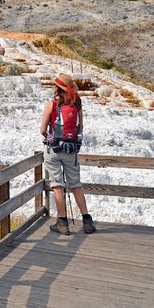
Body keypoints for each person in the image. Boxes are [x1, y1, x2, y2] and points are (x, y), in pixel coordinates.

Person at [40, 73, 96, 235]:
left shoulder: (51, 105)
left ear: (58, 88)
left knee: (57, 185)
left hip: (54, 150)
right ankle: (87, 221)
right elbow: (81, 127)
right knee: (76, 185)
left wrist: (52, 139)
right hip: (71, 151)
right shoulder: (77, 105)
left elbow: (43, 130)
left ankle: (62, 223)